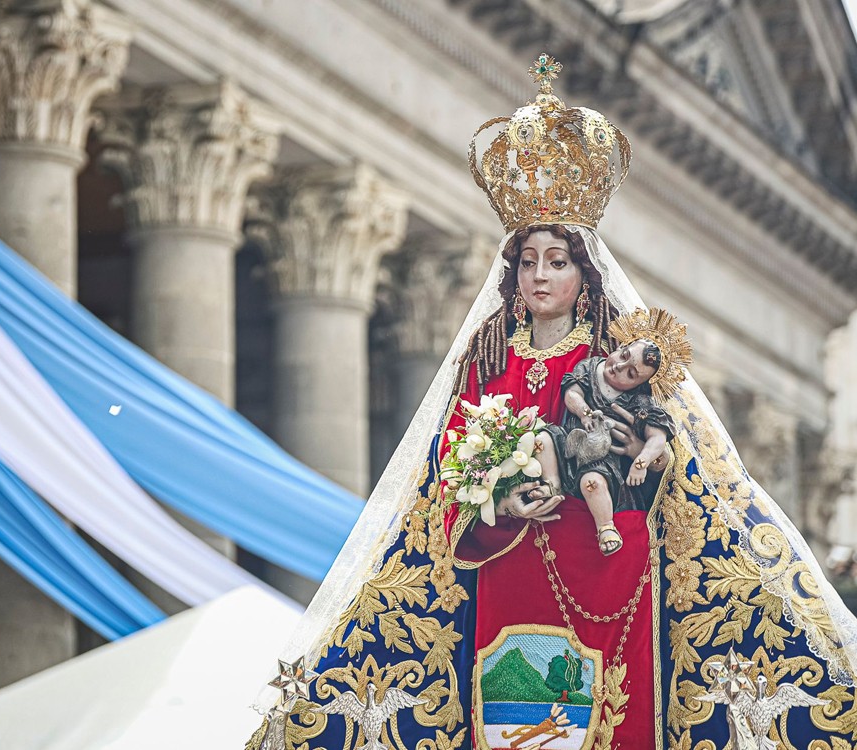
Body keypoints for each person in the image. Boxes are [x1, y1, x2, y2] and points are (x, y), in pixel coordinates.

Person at [249, 54, 857, 750]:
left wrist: (638, 461)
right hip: (507, 569)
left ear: (584, 275)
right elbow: (442, 480)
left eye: (557, 261)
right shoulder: (484, 364)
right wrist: (497, 503)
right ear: (512, 273)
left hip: (603, 570)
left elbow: (685, 477)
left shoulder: (618, 360)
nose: (541, 275)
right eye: (529, 261)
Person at [534, 309, 689, 556]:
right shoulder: (591, 366)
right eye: (624, 355)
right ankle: (551, 485)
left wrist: (642, 461)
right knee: (542, 439)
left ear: (642, 384)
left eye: (630, 373)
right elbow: (571, 394)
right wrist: (584, 412)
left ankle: (606, 527)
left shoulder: (639, 402)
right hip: (571, 442)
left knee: (593, 483)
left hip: (603, 460)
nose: (618, 366)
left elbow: (658, 437)